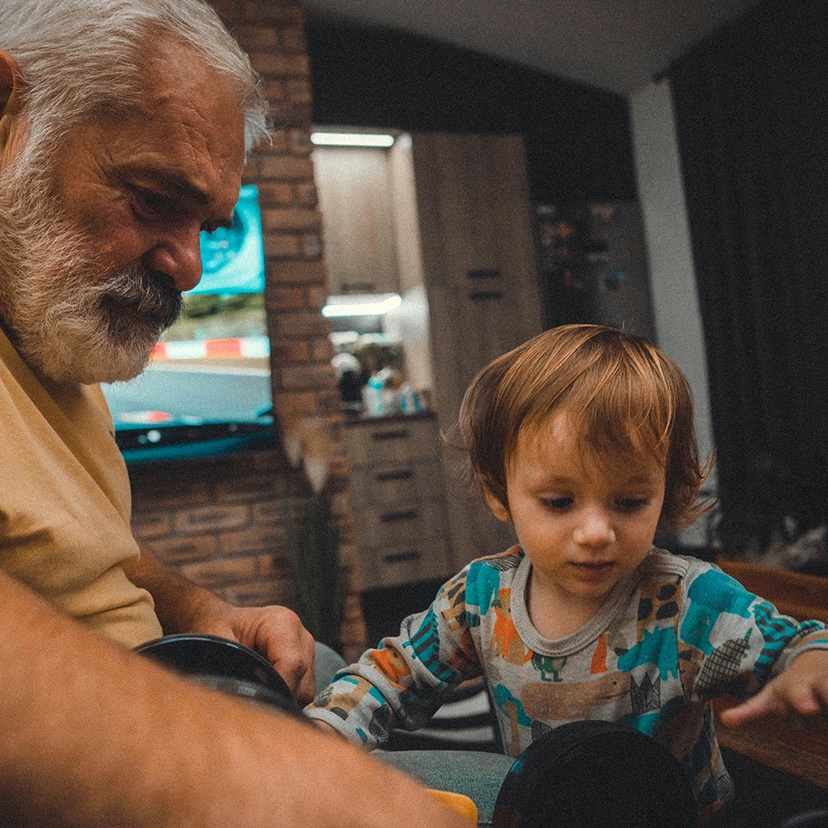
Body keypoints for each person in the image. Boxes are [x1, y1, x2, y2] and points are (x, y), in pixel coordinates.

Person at [0, 1, 470, 825]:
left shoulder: (43, 323)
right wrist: (258, 775)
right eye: (152, 199)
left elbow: (78, 546)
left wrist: (204, 611)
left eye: (208, 227)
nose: (189, 266)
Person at [307, 324, 828, 820]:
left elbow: (793, 642)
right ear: (498, 490)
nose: (597, 531)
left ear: (664, 489)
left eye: (629, 500)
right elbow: (391, 675)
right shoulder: (479, 597)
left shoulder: (688, 600)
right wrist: (320, 735)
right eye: (559, 502)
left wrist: (808, 662)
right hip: (549, 807)